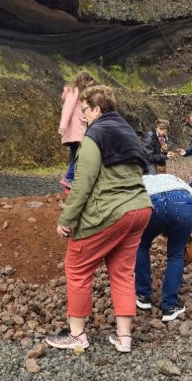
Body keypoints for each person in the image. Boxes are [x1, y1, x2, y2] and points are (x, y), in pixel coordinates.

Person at [48, 85, 152, 352]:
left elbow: (82, 183)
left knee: (77, 266)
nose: (82, 116)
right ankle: (124, 338)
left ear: (97, 109)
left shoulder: (95, 134)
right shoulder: (128, 131)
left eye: (84, 110)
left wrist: (66, 219)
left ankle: (77, 334)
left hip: (109, 211)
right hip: (140, 208)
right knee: (122, 272)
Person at [135, 172, 192, 321]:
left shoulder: (140, 181)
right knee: (175, 254)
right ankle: (169, 306)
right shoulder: (177, 180)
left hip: (151, 201)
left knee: (141, 245)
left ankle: (143, 296)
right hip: (184, 202)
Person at [58, 71, 96, 190]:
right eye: (89, 84)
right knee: (79, 155)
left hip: (81, 128)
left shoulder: (82, 93)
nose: (90, 87)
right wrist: (62, 127)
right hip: (76, 129)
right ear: (84, 81)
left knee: (77, 155)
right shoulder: (74, 91)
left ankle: (70, 184)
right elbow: (67, 109)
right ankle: (69, 179)